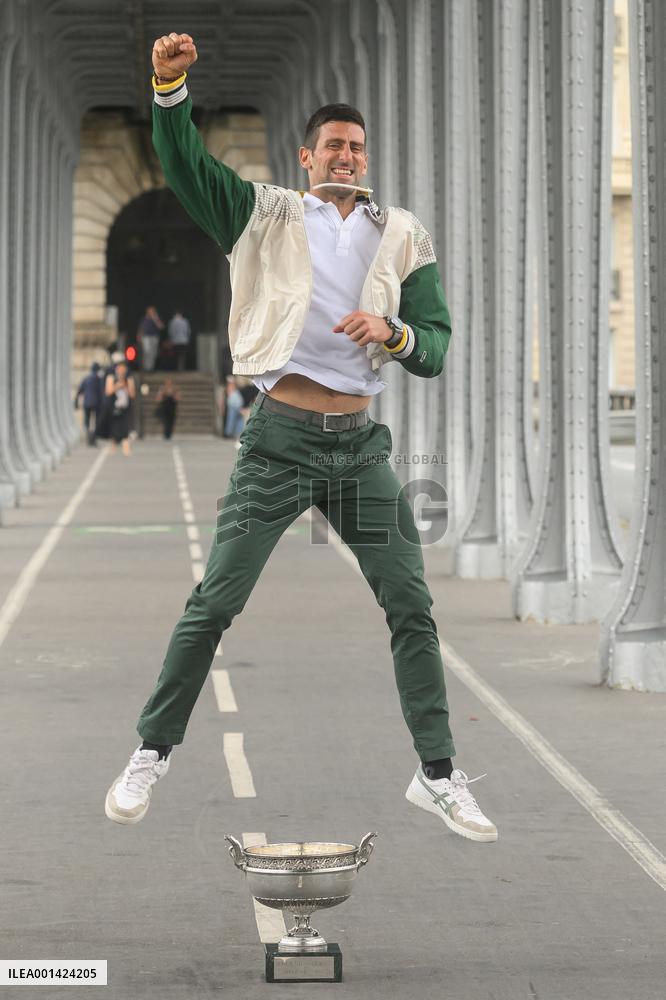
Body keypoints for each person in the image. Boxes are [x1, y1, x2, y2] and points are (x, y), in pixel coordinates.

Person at [105, 32, 497, 845]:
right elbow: (188, 171)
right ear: (306, 154)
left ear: (366, 155)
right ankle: (151, 751)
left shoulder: (403, 235)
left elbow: (435, 345)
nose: (347, 157)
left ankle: (439, 775)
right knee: (215, 600)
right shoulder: (264, 213)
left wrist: (389, 332)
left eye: (357, 147)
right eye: (333, 146)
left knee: (412, 605)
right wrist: (169, 90)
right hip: (278, 438)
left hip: (359, 446)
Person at [104, 361, 136, 456]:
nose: (121, 370)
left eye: (123, 368)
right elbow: (108, 391)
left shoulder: (129, 379)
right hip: (114, 407)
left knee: (125, 427)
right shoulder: (111, 378)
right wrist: (118, 386)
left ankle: (126, 448)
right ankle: (113, 447)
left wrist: (126, 386)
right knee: (114, 427)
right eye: (119, 368)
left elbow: (132, 394)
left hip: (125, 407)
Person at [74, 362, 104, 446]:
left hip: (87, 403)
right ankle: (93, 438)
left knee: (87, 421)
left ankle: (88, 437)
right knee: (96, 422)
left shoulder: (86, 379)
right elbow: (101, 393)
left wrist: (76, 401)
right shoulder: (99, 379)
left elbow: (80, 391)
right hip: (97, 404)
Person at [137, 306, 164, 372]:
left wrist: (155, 319)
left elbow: (161, 327)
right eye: (150, 311)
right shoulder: (144, 319)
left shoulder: (156, 318)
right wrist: (139, 336)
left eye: (153, 311)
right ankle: (146, 367)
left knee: (153, 353)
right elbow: (141, 328)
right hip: (146, 337)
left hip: (154, 337)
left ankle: (151, 368)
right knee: (147, 352)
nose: (151, 312)